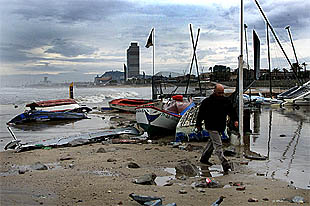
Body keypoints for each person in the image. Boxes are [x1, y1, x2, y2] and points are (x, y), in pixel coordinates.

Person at [196, 84, 238, 174]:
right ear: (214, 91)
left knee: (212, 142)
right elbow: (200, 114)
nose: (221, 95)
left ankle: (204, 159)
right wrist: (198, 124)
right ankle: (224, 163)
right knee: (218, 145)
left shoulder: (225, 101)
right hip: (211, 126)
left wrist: (235, 120)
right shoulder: (207, 102)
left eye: (222, 93)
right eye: (219, 93)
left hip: (220, 126)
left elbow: (231, 111)